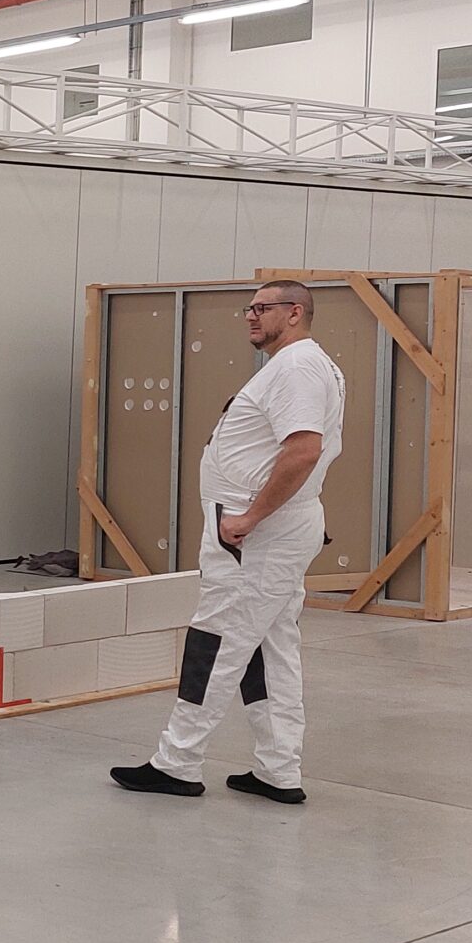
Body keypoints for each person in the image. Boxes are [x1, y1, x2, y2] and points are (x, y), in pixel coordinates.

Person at [113, 280, 346, 805]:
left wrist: (251, 516)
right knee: (270, 649)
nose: (250, 316)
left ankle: (176, 762)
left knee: (216, 641)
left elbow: (304, 450)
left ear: (294, 312)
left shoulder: (297, 367)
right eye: (249, 308)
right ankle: (278, 769)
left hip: (255, 535)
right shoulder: (306, 365)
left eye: (262, 308)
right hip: (273, 530)